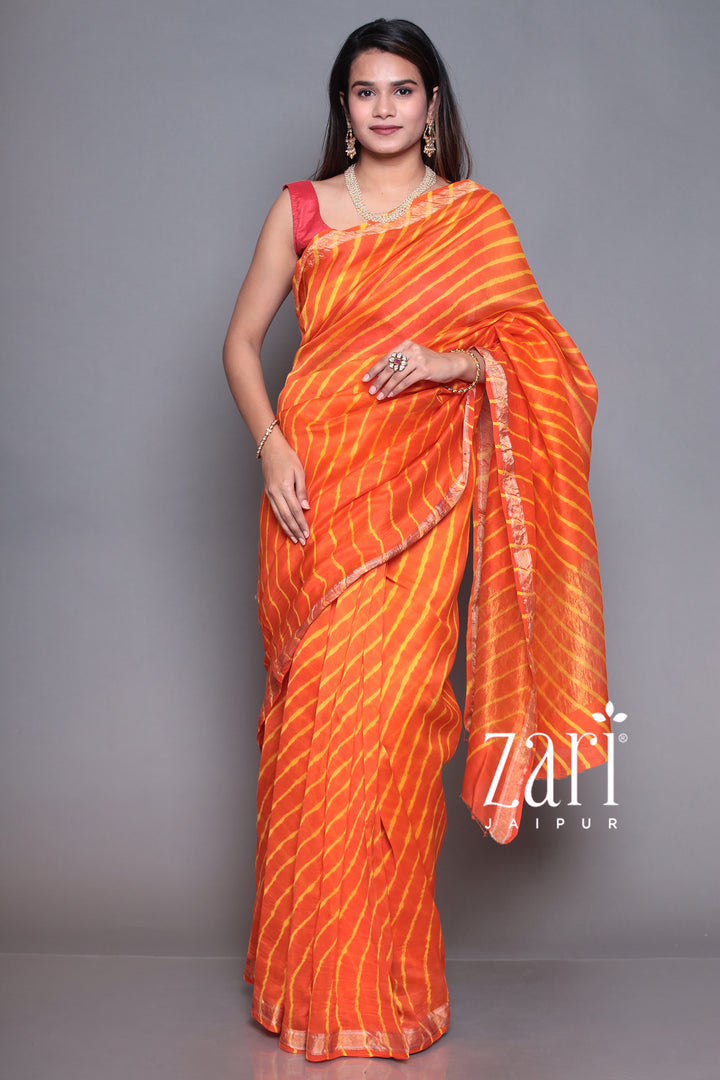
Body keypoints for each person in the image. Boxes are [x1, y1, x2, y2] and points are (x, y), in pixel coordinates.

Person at [222, 17, 610, 1063]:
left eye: (402, 89)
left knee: (388, 734)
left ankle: (383, 989)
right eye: (365, 91)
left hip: (421, 505)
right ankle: (308, 986)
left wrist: (451, 363)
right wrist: (271, 450)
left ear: (432, 105)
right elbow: (241, 343)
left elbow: (549, 365)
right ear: (343, 108)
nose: (384, 107)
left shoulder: (471, 218)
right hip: (313, 498)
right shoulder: (303, 210)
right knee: (316, 737)